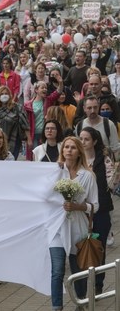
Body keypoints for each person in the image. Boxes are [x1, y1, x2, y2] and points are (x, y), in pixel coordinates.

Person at [50, 136, 98, 310]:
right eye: (66, 147)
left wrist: (78, 206)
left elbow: (95, 205)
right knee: (57, 271)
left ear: (79, 152)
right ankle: (57, 307)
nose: (68, 150)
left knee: (78, 271)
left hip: (77, 228)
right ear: (62, 151)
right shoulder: (55, 171)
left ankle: (81, 302)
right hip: (57, 227)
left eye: (73, 148)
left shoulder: (88, 176)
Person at [79, 127, 113, 295]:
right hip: (80, 211)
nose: (83, 142)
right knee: (80, 246)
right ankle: (83, 281)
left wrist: (114, 178)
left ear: (94, 141)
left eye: (86, 139)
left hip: (101, 211)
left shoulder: (104, 160)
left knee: (98, 247)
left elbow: (111, 185)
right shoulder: (76, 160)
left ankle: (98, 283)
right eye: (81, 138)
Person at [0, 86, 30, 159]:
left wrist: (29, 139)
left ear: (10, 95)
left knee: (11, 160)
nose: (4, 95)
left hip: (14, 140)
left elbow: (25, 124)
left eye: (6, 93)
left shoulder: (17, 107)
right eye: (2, 94)